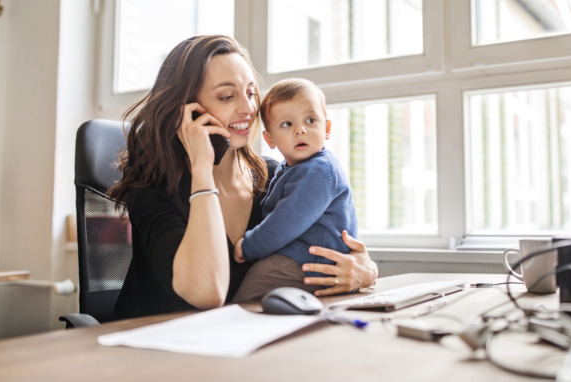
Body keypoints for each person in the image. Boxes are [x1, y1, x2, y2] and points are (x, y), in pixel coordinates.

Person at [108, 35, 378, 319]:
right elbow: (207, 293)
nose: (249, 109)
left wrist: (364, 270)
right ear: (186, 111)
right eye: (227, 96)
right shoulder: (153, 190)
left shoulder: (273, 177)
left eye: (250, 93)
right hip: (155, 350)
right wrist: (202, 169)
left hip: (244, 346)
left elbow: (334, 243)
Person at [232, 78, 358, 301]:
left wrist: (248, 247)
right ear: (270, 139)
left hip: (313, 262)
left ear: (326, 129)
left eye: (310, 120)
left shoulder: (319, 171)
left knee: (249, 294)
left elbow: (285, 222)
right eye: (287, 124)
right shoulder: (289, 168)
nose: (300, 130)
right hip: (303, 257)